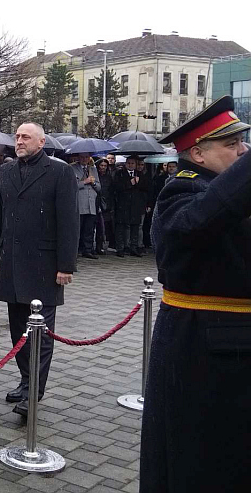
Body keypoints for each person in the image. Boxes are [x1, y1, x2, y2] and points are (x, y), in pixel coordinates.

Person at [140, 95, 251, 491]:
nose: (243, 150)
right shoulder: (180, 193)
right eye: (232, 144)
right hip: (203, 355)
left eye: (244, 142)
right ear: (198, 154)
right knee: (201, 465)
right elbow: (201, 221)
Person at [0, 122, 77, 418]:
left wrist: (66, 265)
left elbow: (68, 221)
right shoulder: (6, 171)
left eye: (25, 137)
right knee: (17, 333)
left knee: (40, 335)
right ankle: (26, 380)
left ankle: (34, 393)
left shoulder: (59, 171)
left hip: (45, 266)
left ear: (41, 142)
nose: (19, 140)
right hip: (12, 262)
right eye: (17, 136)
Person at [113, 155, 149, 257]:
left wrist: (138, 183)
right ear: (125, 164)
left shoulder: (140, 174)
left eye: (132, 163)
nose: (130, 165)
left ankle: (134, 247)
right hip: (123, 204)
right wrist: (130, 183)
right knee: (121, 226)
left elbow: (146, 188)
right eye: (128, 163)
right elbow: (116, 187)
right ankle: (121, 248)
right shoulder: (119, 174)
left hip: (136, 204)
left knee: (135, 226)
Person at [70, 153, 100, 259]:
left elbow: (99, 187)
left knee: (89, 229)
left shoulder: (93, 169)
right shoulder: (72, 168)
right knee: (78, 228)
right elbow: (71, 186)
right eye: (82, 157)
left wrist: (93, 183)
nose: (84, 159)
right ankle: (75, 250)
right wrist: (85, 182)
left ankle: (87, 250)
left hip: (91, 203)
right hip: (79, 203)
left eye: (87, 157)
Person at [95, 158, 115, 253]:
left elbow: (111, 191)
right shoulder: (95, 175)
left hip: (106, 204)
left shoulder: (109, 177)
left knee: (103, 226)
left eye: (105, 166)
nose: (103, 168)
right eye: (101, 165)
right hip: (96, 202)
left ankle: (100, 246)